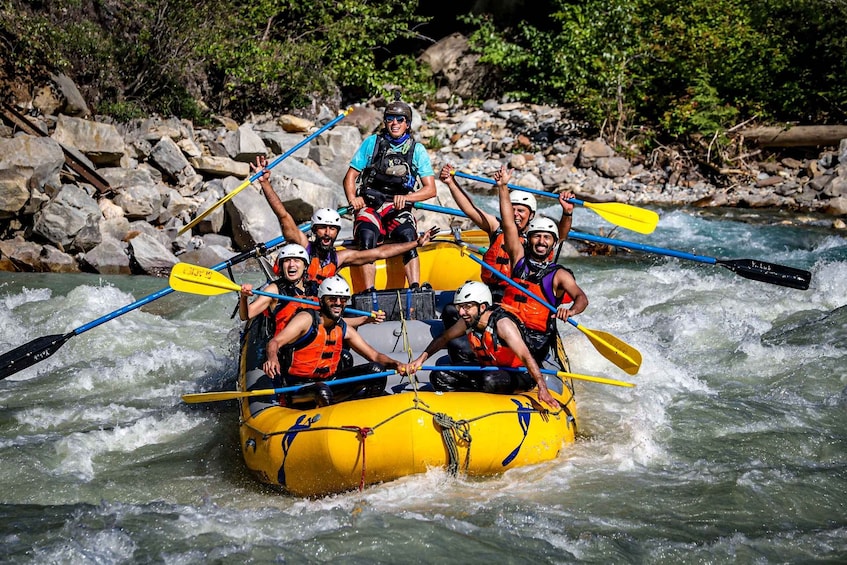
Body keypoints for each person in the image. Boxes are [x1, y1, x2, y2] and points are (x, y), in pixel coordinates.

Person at [252, 156, 437, 288]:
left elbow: (380, 252)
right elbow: (283, 216)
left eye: (332, 229)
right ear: (314, 231)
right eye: (322, 229)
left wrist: (415, 243)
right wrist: (266, 184)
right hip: (293, 304)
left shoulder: (339, 258)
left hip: (314, 310)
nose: (327, 233)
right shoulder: (303, 246)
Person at [406, 281, 559, 409]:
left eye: (467, 307)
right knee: (440, 376)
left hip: (519, 375)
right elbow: (444, 338)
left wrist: (542, 386)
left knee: (489, 381)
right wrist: (421, 359)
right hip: (490, 369)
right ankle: (461, 407)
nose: (461, 312)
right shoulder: (469, 321)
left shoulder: (503, 325)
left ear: (483, 307)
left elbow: (526, 356)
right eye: (460, 307)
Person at [262, 276, 407, 407]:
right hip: (297, 388)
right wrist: (272, 358)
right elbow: (274, 342)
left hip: (330, 382)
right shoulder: (306, 320)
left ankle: (366, 412)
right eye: (332, 299)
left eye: (342, 300)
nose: (338, 303)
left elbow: (374, 356)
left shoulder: (343, 328)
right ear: (321, 300)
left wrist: (397, 364)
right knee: (322, 391)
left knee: (376, 371)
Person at [439, 163, 575, 301]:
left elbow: (561, 235)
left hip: (519, 294)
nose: (515, 214)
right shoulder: (496, 227)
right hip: (491, 290)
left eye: (521, 211)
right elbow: (470, 209)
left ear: (531, 215)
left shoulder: (538, 237)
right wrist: (451, 183)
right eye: (512, 209)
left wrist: (567, 213)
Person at [342, 97, 437, 291]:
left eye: (400, 119)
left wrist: (408, 198)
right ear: (385, 122)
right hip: (370, 204)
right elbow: (350, 177)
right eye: (390, 119)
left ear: (407, 124)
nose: (395, 123)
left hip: (397, 207)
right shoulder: (372, 143)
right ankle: (369, 291)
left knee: (408, 235)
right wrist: (353, 200)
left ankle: (416, 288)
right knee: (366, 235)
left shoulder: (417, 150)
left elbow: (430, 189)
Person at [496, 165, 589, 364]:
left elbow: (581, 297)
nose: (541, 241)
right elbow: (509, 224)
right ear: (528, 240)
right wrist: (503, 187)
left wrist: (571, 310)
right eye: (537, 236)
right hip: (509, 326)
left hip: (534, 338)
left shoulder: (559, 274)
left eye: (547, 238)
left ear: (553, 243)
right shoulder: (518, 257)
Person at [238, 243, 384, 331]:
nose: (292, 265)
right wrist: (244, 297)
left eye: (296, 261)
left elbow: (333, 319)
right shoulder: (273, 291)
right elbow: (246, 315)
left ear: (305, 266)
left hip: (312, 341)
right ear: (281, 267)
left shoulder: (316, 288)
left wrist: (366, 319)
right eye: (287, 261)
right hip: (286, 344)